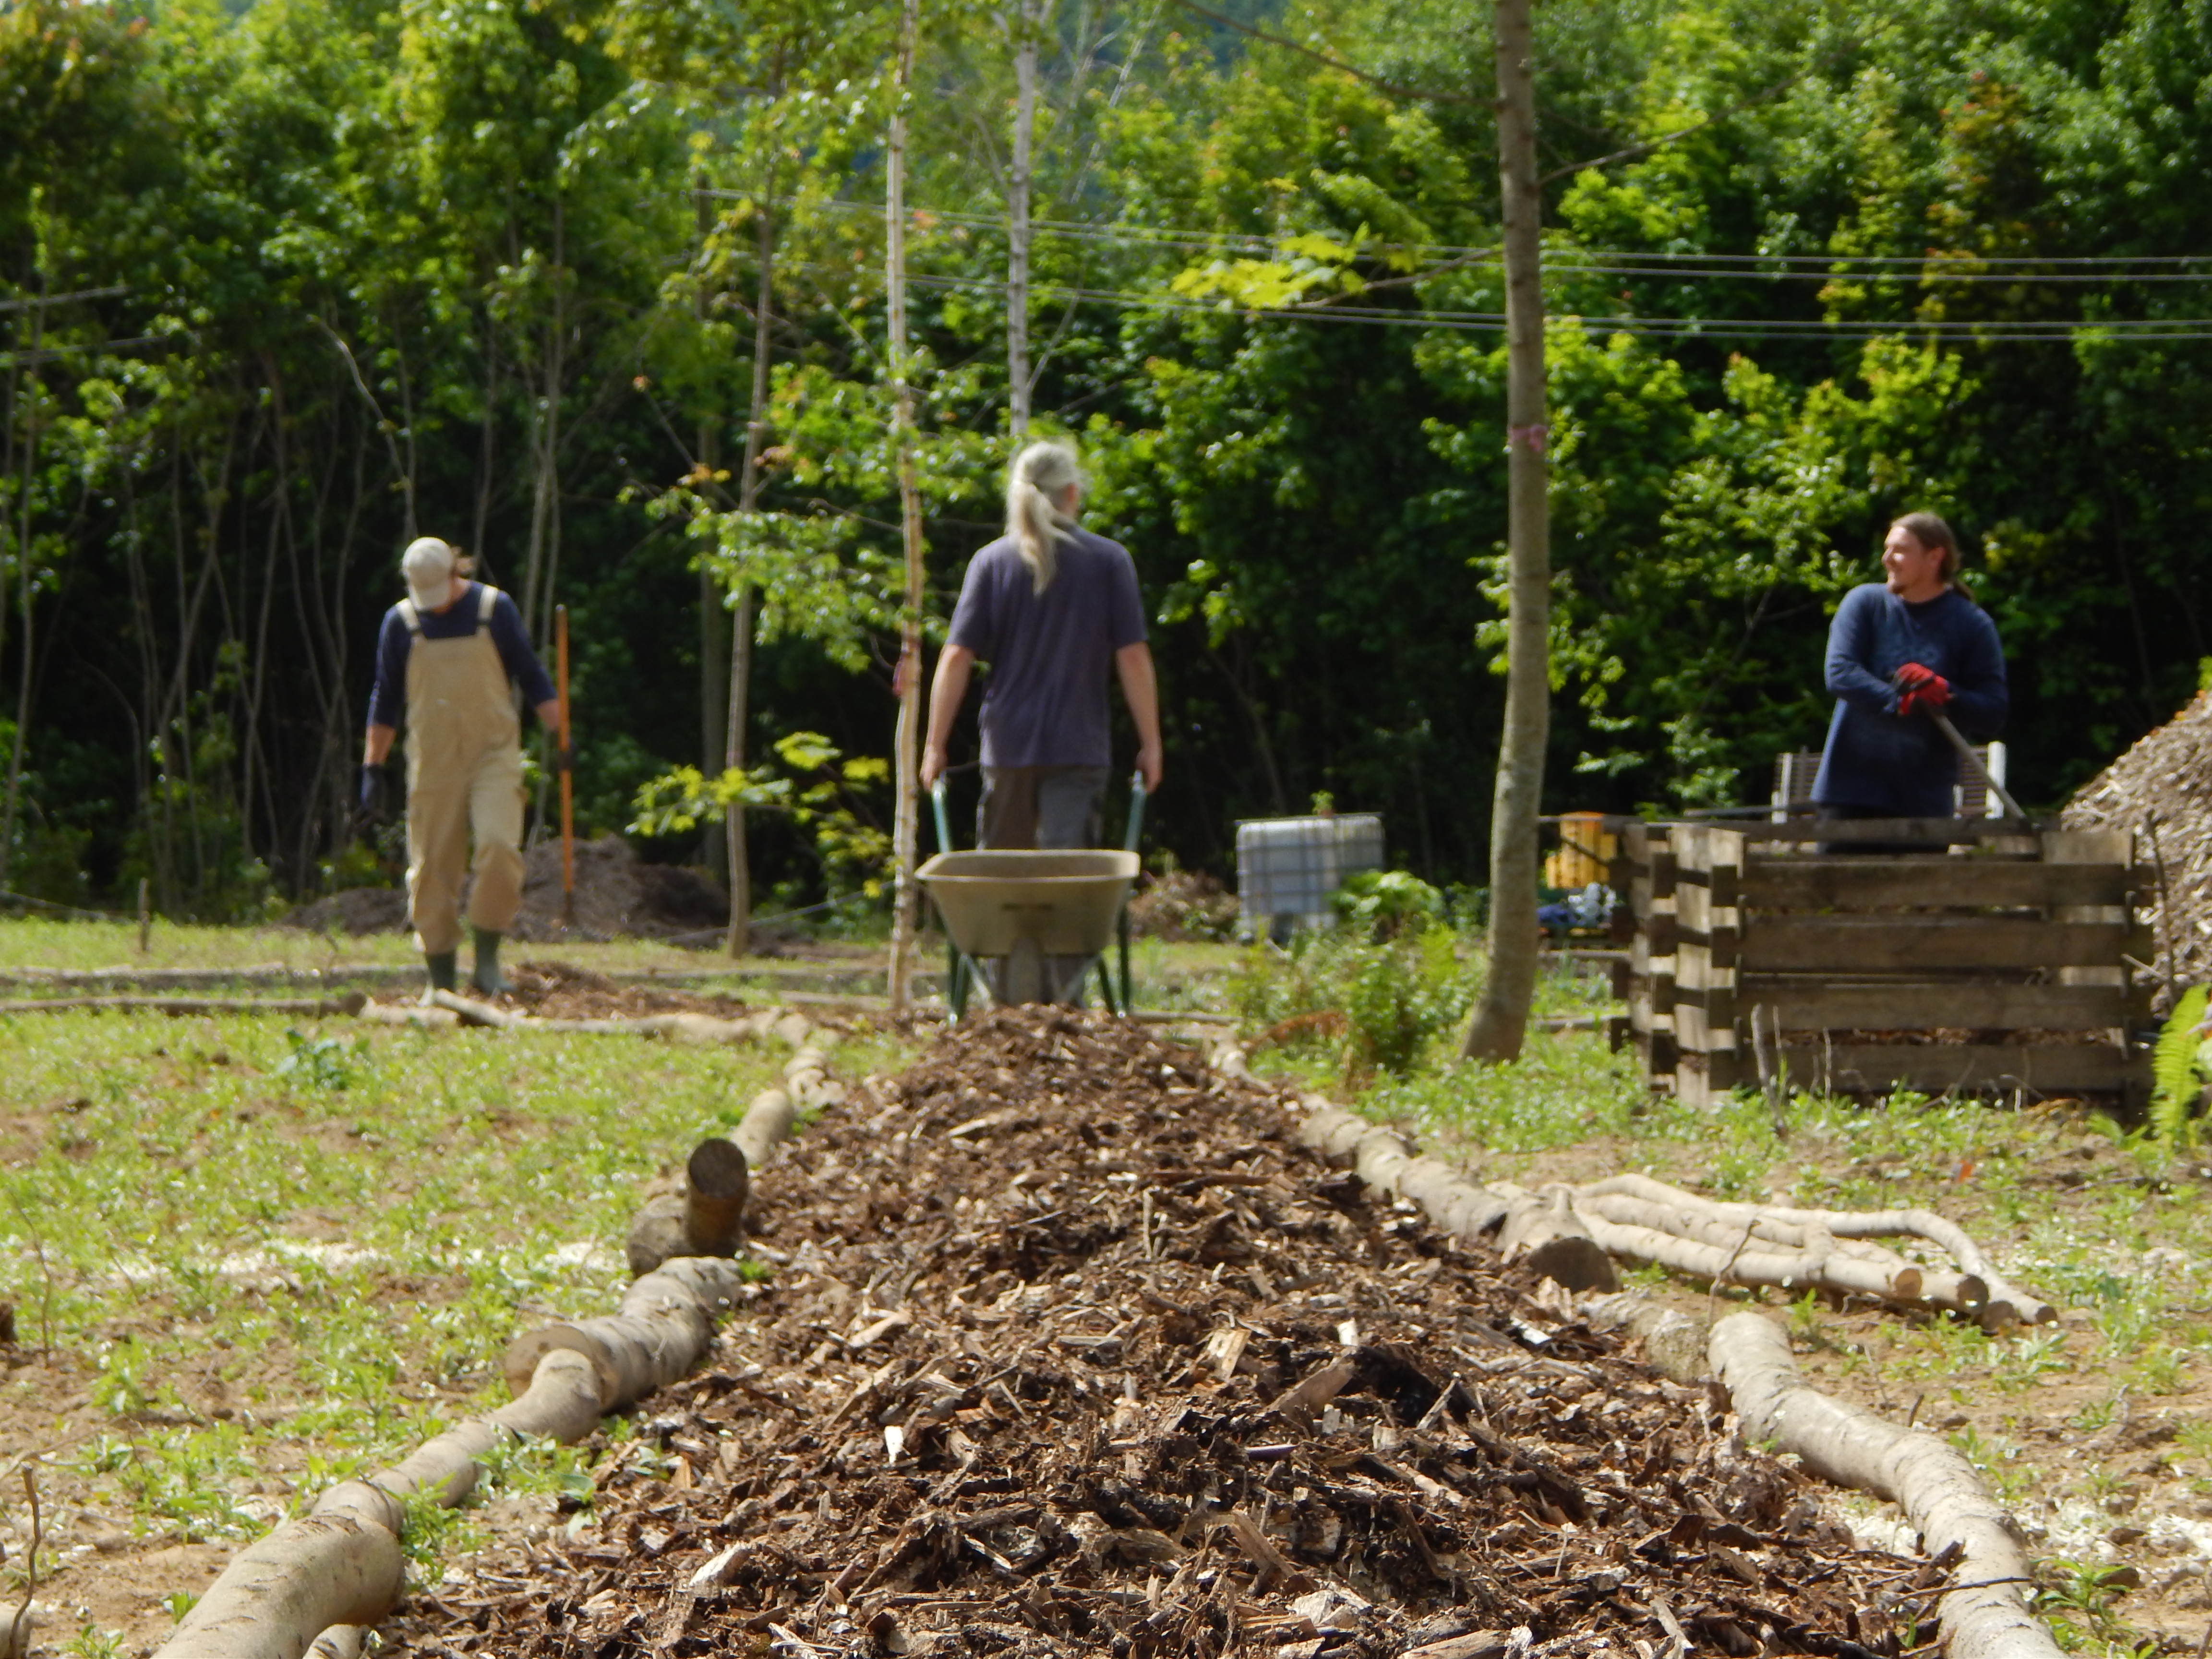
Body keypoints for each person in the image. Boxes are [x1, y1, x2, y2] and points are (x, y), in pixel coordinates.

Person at [920, 440, 1163, 848]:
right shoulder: (1108, 561)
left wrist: (934, 745)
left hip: (1008, 745)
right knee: (1067, 880)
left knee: (1002, 881)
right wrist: (1151, 744)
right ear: (1072, 493)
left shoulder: (991, 563)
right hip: (1078, 745)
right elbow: (1134, 657)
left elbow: (957, 657)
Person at [359, 537, 562, 997]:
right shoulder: (402, 623)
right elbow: (385, 698)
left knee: (497, 848)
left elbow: (531, 674)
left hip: (493, 754)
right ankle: (441, 979)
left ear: (457, 572)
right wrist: (372, 767)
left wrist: (560, 733)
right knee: (431, 868)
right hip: (434, 763)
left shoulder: (494, 609)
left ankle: (487, 960)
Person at [1810, 511, 2007, 829]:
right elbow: (1840, 672)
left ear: (1934, 557)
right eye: (1886, 549)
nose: (1887, 559)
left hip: (1924, 803)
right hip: (1850, 794)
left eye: (1900, 550)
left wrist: (1946, 693)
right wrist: (1899, 701)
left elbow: (1994, 712)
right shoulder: (1865, 604)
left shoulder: (1972, 625)